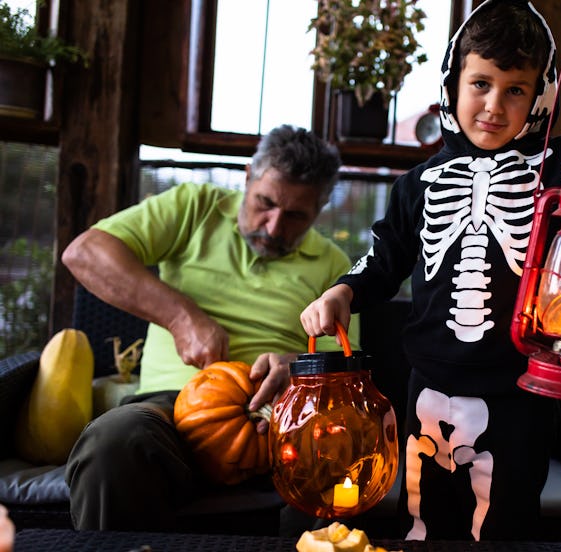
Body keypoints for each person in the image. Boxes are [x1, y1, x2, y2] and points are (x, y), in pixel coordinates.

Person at [300, 0, 561, 542]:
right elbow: (384, 258)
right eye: (480, 83)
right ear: (452, 81)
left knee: (505, 530)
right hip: (425, 389)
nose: (493, 105)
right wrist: (343, 291)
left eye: (515, 89)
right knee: (419, 525)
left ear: (541, 96)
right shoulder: (417, 183)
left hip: (520, 394)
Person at [62, 125, 358, 530]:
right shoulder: (195, 206)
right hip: (167, 409)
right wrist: (181, 316)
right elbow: (85, 253)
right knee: (113, 439)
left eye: (294, 216)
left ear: (320, 210)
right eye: (264, 203)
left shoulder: (335, 265)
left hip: (281, 419)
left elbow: (351, 370)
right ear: (248, 177)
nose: (273, 228)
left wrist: (302, 370)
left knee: (331, 461)